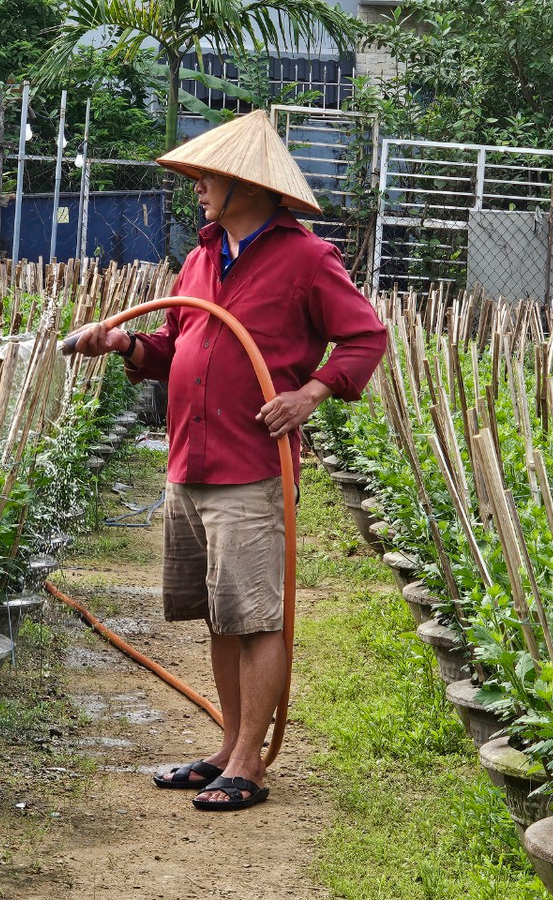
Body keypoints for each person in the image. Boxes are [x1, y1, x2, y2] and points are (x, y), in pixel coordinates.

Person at [70, 109, 387, 811]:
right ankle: (227, 746)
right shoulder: (200, 258)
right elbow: (172, 345)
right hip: (191, 460)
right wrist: (125, 347)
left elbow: (366, 338)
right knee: (219, 614)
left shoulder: (307, 260)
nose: (197, 190)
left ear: (247, 184)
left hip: (253, 465)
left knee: (257, 616)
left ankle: (251, 762)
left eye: (207, 177)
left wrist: (310, 394)